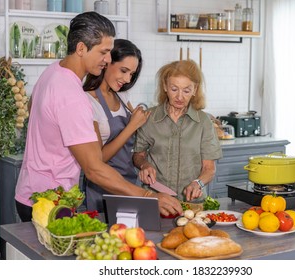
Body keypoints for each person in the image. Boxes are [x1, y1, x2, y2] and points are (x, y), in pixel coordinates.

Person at [14, 12, 182, 222]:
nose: (108, 59)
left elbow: (33, 109)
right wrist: (149, 196)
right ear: (81, 48)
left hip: (31, 192)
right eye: (104, 52)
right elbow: (94, 168)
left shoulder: (52, 72)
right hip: (50, 202)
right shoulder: (73, 96)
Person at [132, 59, 222, 202]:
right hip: (157, 199)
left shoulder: (204, 122)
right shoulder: (149, 118)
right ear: (165, 86)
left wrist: (197, 183)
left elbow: (209, 169)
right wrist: (144, 165)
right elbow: (138, 155)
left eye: (186, 90)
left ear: (195, 89)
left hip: (192, 203)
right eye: (174, 89)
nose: (180, 97)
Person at [82, 39, 150, 212]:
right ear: (107, 62)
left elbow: (136, 138)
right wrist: (131, 126)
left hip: (128, 183)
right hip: (102, 188)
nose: (127, 79)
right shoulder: (88, 101)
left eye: (131, 74)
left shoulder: (123, 96)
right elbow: (98, 160)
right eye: (124, 70)